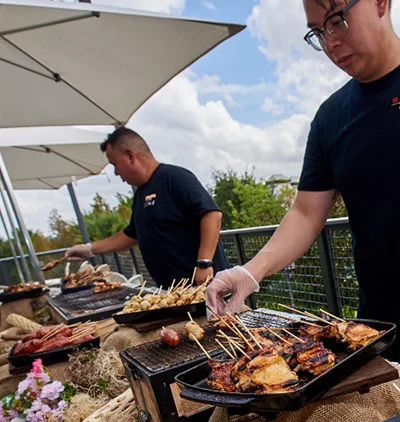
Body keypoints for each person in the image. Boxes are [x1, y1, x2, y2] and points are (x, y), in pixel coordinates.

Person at [207, 0, 400, 357]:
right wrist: (249, 272)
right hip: (380, 326)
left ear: (380, 3)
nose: (330, 43)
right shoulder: (330, 118)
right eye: (318, 32)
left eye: (337, 21)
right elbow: (307, 213)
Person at [65, 127, 230, 288]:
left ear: (130, 155)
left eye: (115, 164)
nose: (116, 172)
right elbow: (131, 235)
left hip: (206, 287)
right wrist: (89, 249)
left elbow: (211, 214)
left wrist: (204, 263)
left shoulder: (174, 177)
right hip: (175, 292)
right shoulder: (140, 194)